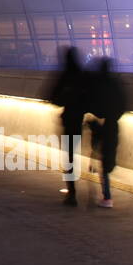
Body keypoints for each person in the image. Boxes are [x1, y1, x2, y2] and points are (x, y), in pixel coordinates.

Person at [44, 46, 87, 206]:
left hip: (68, 120)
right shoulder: (83, 75)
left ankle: (72, 192)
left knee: (69, 157)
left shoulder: (64, 75)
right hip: (79, 120)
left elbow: (53, 97)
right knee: (73, 154)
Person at [87, 58, 127, 208]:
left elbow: (93, 103)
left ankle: (107, 196)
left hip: (101, 125)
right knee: (108, 157)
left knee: (101, 155)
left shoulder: (98, 84)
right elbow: (123, 104)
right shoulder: (116, 84)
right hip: (112, 126)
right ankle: (108, 169)